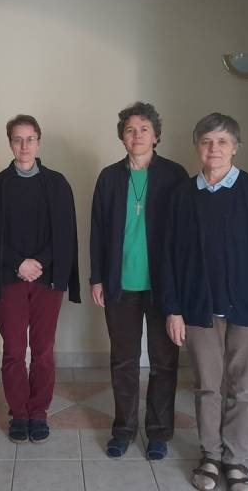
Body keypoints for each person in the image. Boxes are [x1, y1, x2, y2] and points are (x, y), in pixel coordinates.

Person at [162, 113, 248, 491]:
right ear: (197, 147)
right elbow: (168, 256)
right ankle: (211, 456)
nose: (213, 149)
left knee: (243, 388)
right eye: (206, 142)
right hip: (198, 309)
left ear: (235, 148)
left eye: (222, 142)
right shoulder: (182, 195)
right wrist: (173, 309)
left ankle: (235, 460)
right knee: (207, 386)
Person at [89, 101, 188, 460]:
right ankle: (124, 430)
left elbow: (185, 236)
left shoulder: (175, 175)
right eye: (130, 129)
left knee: (164, 363)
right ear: (122, 137)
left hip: (164, 288)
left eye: (144, 129)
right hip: (120, 286)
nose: (137, 135)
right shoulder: (109, 177)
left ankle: (159, 432)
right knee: (123, 361)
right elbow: (98, 230)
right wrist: (97, 277)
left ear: (156, 135)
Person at [0, 114, 80, 444]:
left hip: (47, 281)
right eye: (17, 139)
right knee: (14, 349)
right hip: (8, 279)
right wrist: (18, 264)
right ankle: (19, 413)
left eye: (30, 139)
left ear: (38, 141)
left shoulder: (57, 184)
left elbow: (65, 233)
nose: (24, 146)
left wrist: (40, 263)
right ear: (9, 142)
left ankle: (38, 412)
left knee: (43, 350)